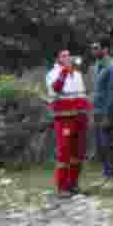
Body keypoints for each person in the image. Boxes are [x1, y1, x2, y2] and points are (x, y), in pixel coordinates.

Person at [45, 49, 91, 197]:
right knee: (64, 152)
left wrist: (87, 113)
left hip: (79, 118)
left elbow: (82, 95)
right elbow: (56, 89)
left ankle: (73, 185)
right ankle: (62, 188)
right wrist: (64, 71)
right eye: (64, 56)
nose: (68, 58)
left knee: (78, 152)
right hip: (64, 119)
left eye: (69, 56)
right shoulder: (52, 74)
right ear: (58, 59)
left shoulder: (77, 74)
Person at [90, 37, 113, 190]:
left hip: (108, 113)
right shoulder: (97, 66)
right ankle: (107, 175)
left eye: (96, 47)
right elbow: (97, 91)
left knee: (109, 144)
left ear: (105, 49)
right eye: (93, 48)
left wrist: (108, 116)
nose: (93, 50)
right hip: (96, 112)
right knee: (101, 146)